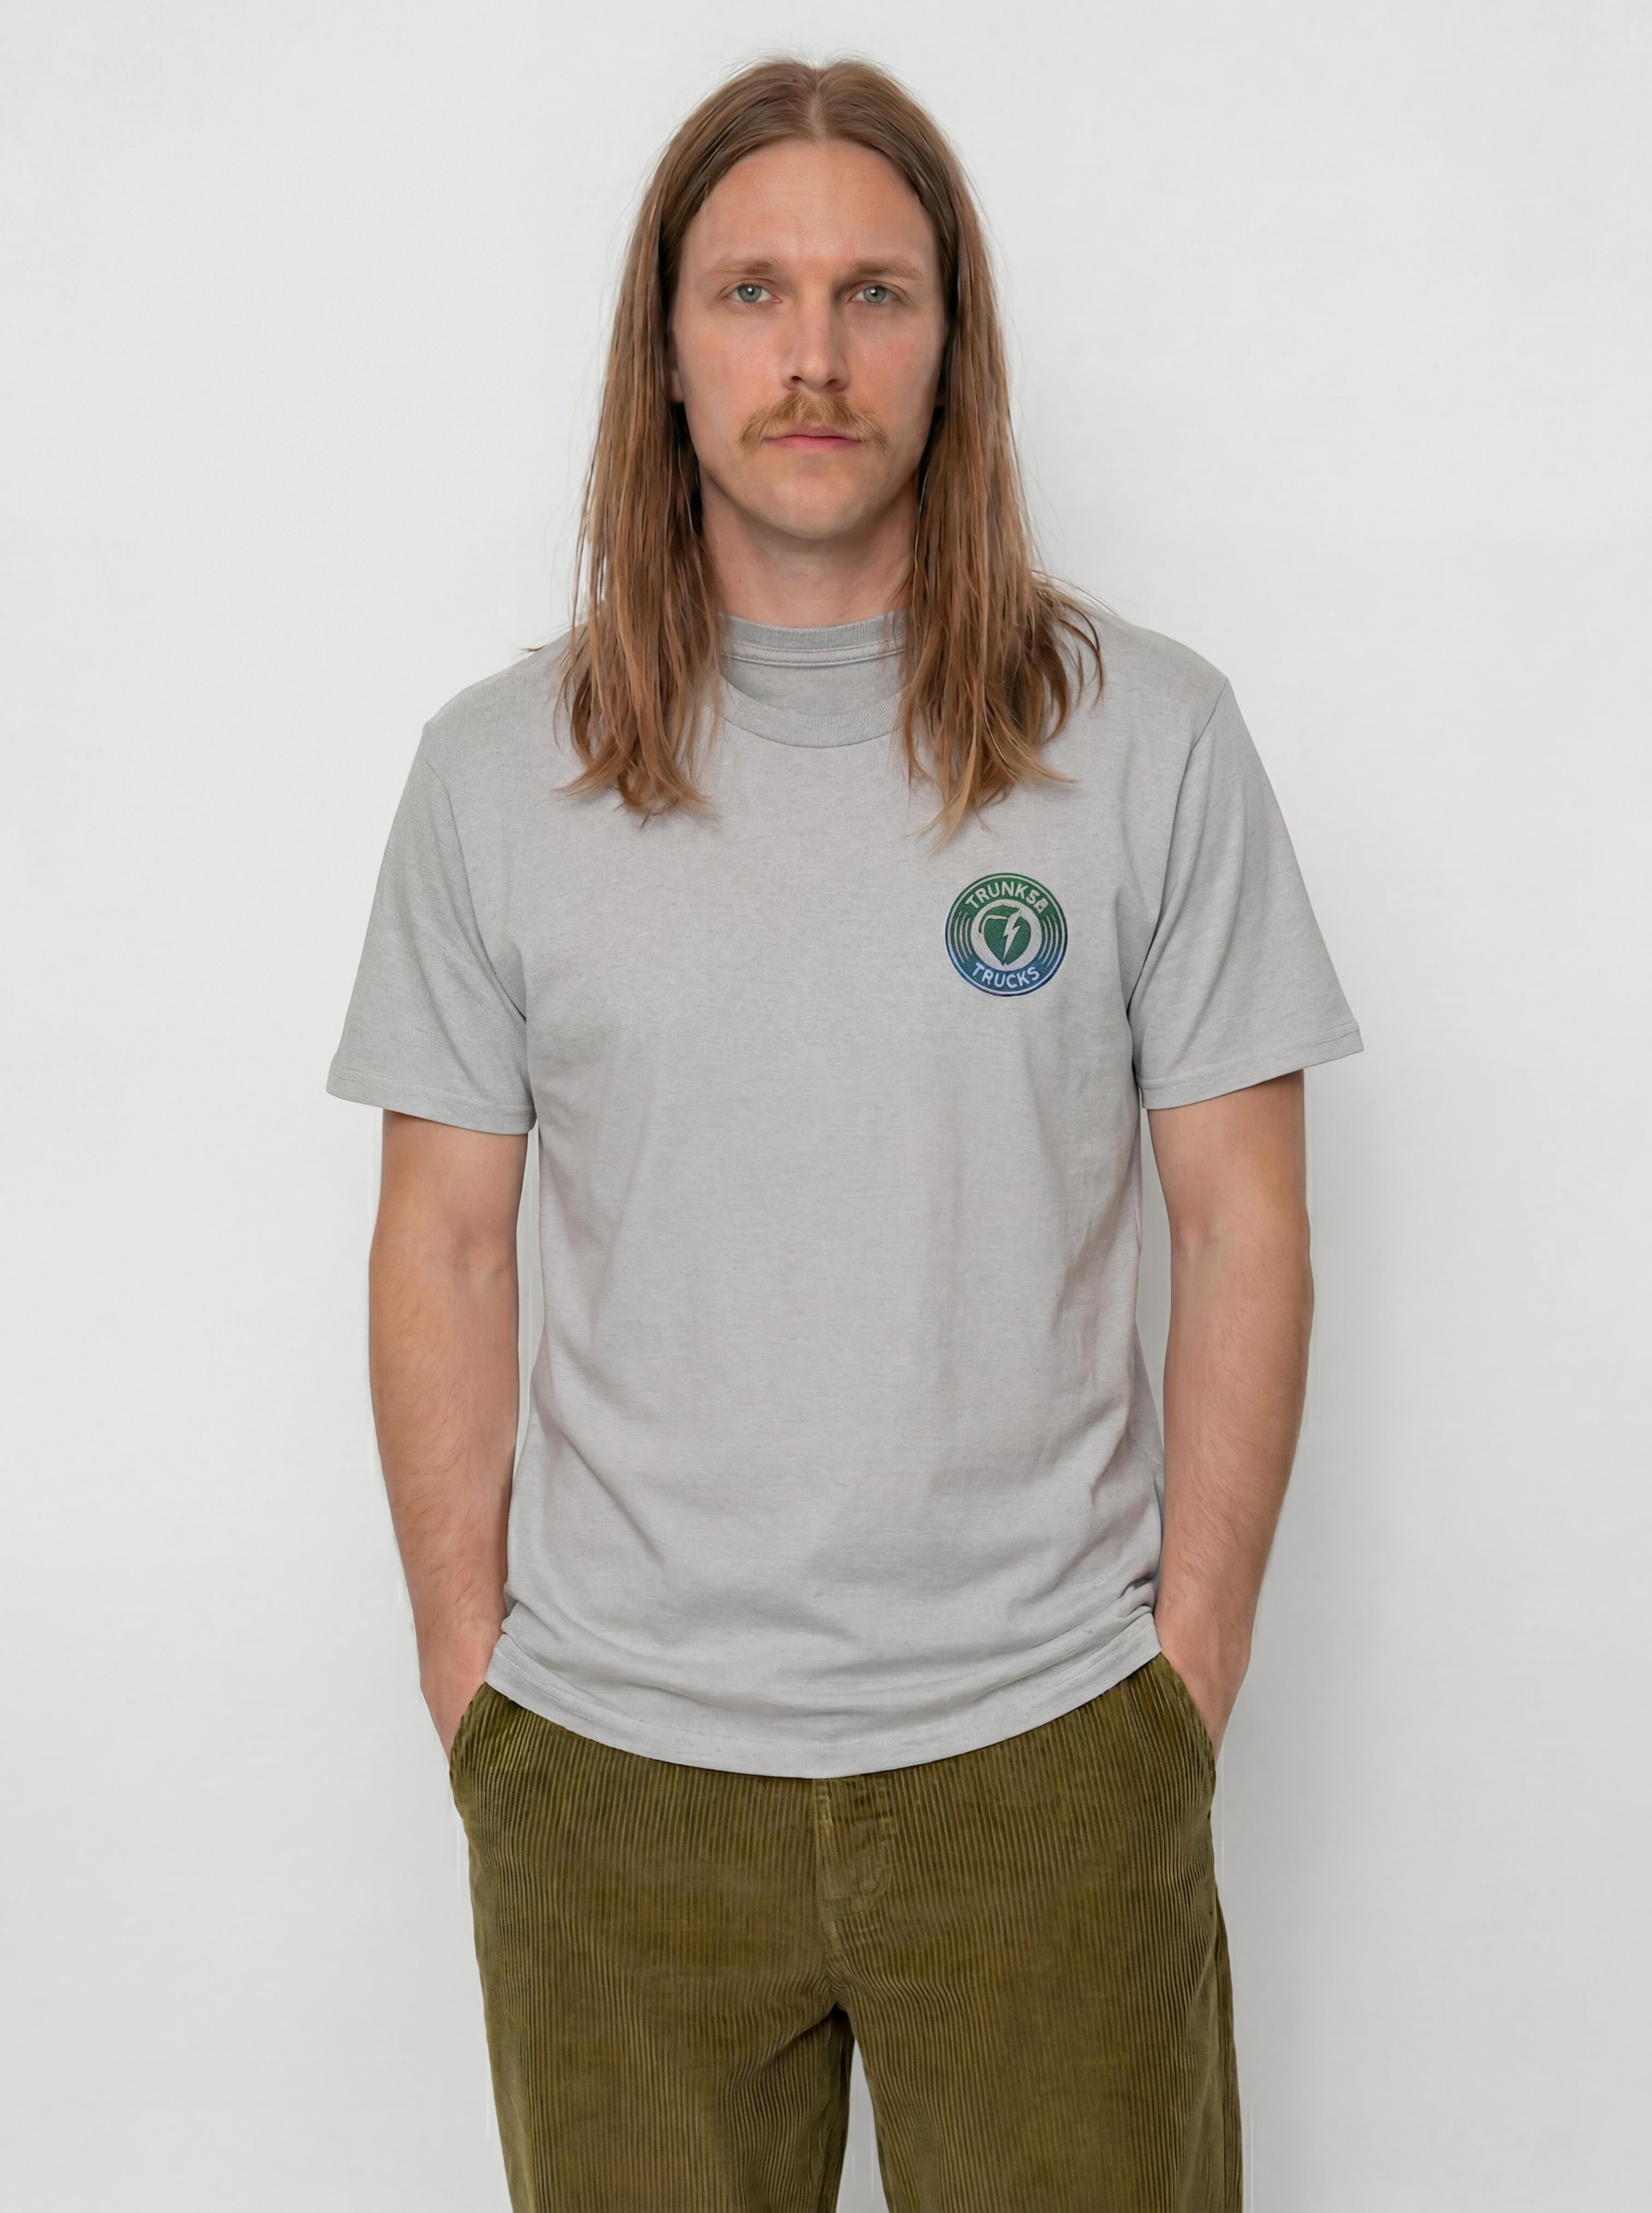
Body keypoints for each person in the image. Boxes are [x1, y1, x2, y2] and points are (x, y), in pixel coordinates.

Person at [327, 53, 1362, 2213]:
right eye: (752, 293)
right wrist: (474, 1689)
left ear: (950, 345)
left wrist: (1177, 1685)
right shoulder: (493, 774)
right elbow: (442, 1241)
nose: (812, 355)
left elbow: (1239, 1221)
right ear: (665, 350)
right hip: (611, 1779)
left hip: (1047, 1757)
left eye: (874, 294)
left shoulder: (1148, 742)